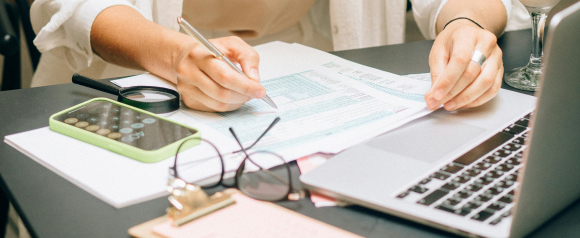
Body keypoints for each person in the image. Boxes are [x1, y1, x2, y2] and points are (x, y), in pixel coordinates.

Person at [30, 0, 528, 112]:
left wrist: (466, 23)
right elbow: (69, 5)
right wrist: (173, 54)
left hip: (321, 98)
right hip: (128, 91)